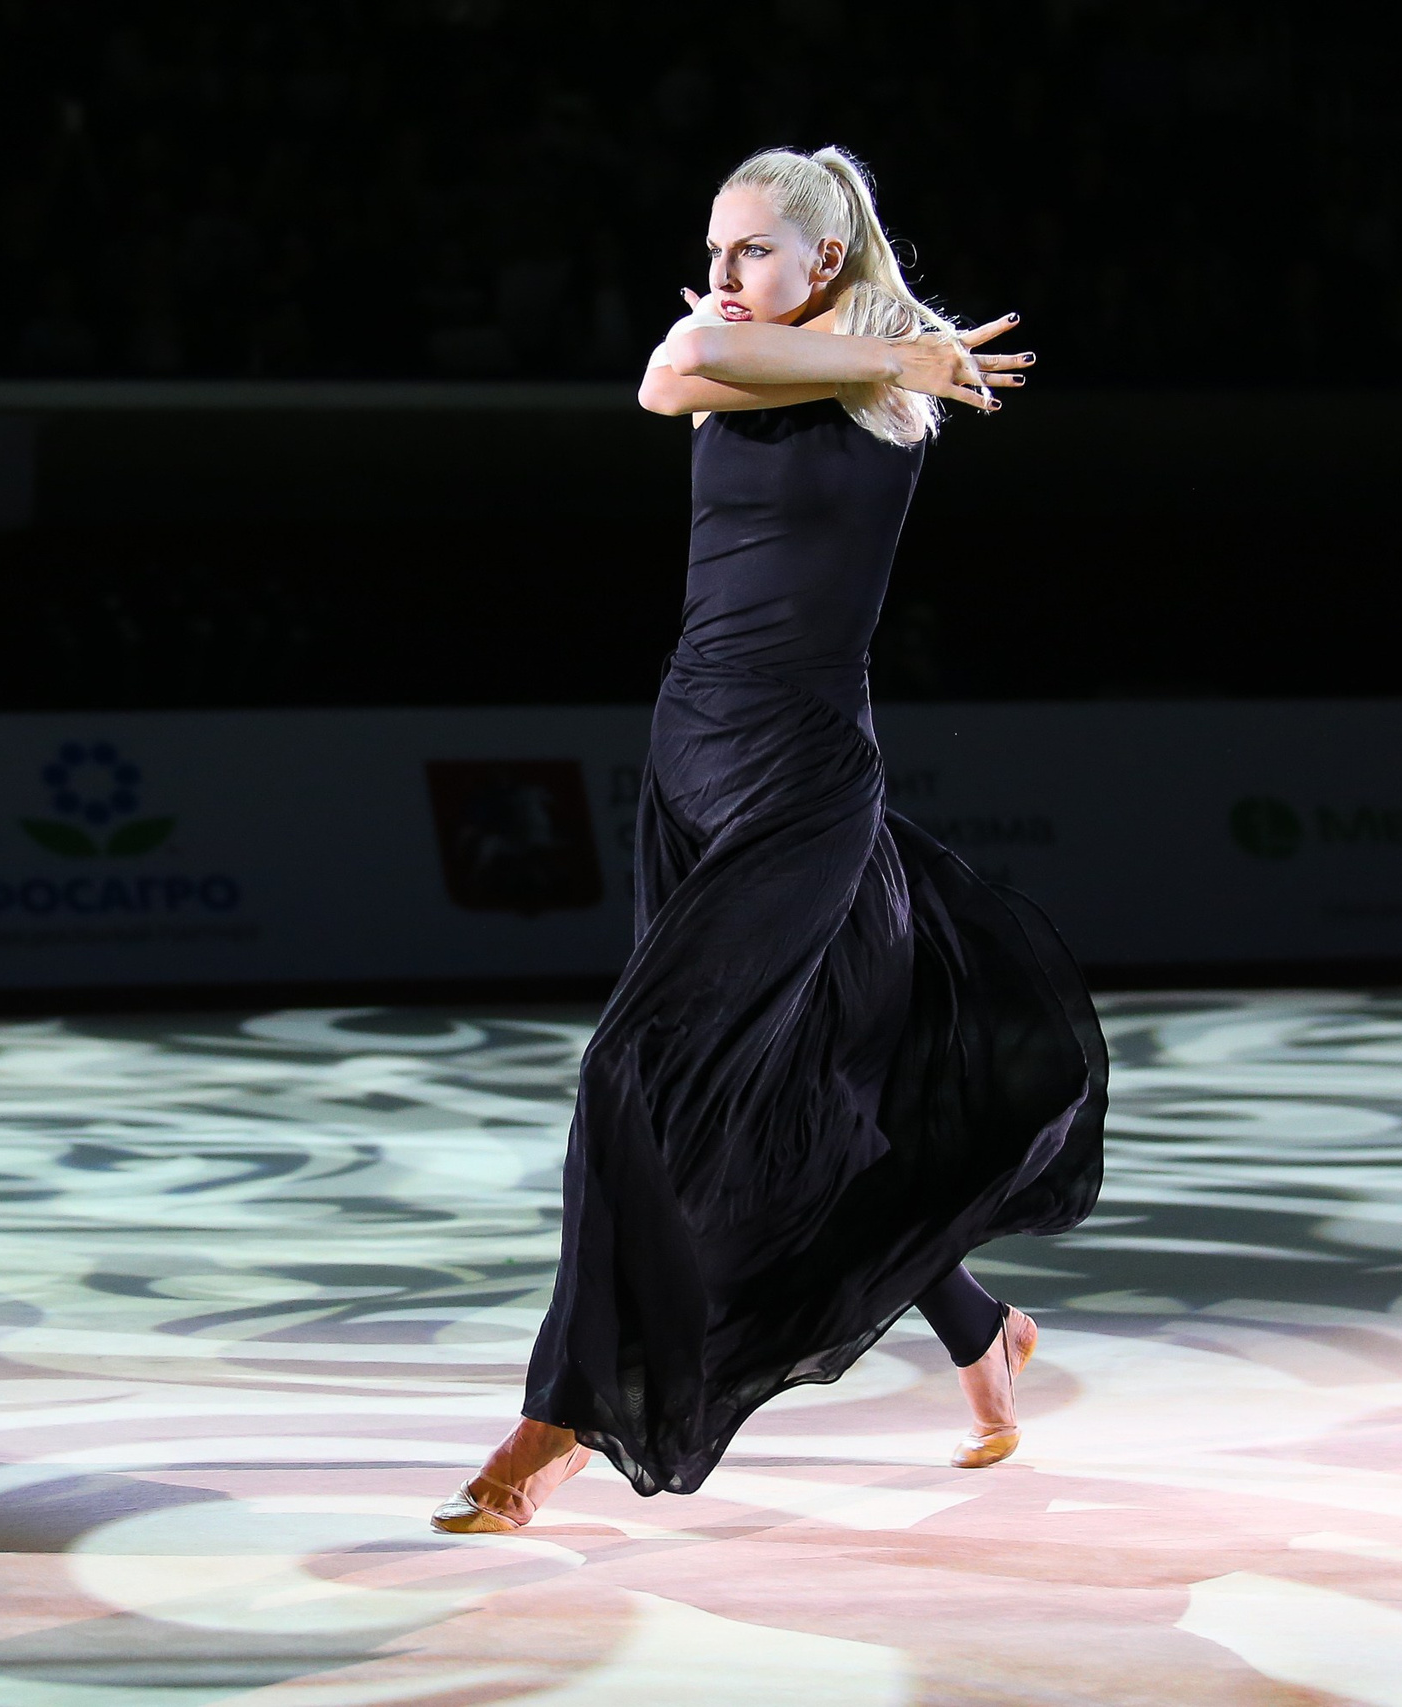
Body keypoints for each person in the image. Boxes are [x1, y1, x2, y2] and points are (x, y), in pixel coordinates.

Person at [433, 146, 1106, 1532]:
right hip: (687, 766)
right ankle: (984, 1336)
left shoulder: (895, 395)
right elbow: (666, 369)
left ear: (829, 265)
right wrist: (770, 334)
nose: (726, 274)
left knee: (636, 1069)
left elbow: (839, 373)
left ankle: (558, 1421)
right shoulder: (747, 364)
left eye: (754, 251)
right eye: (718, 249)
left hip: (801, 785)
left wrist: (888, 359)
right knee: (818, 1104)